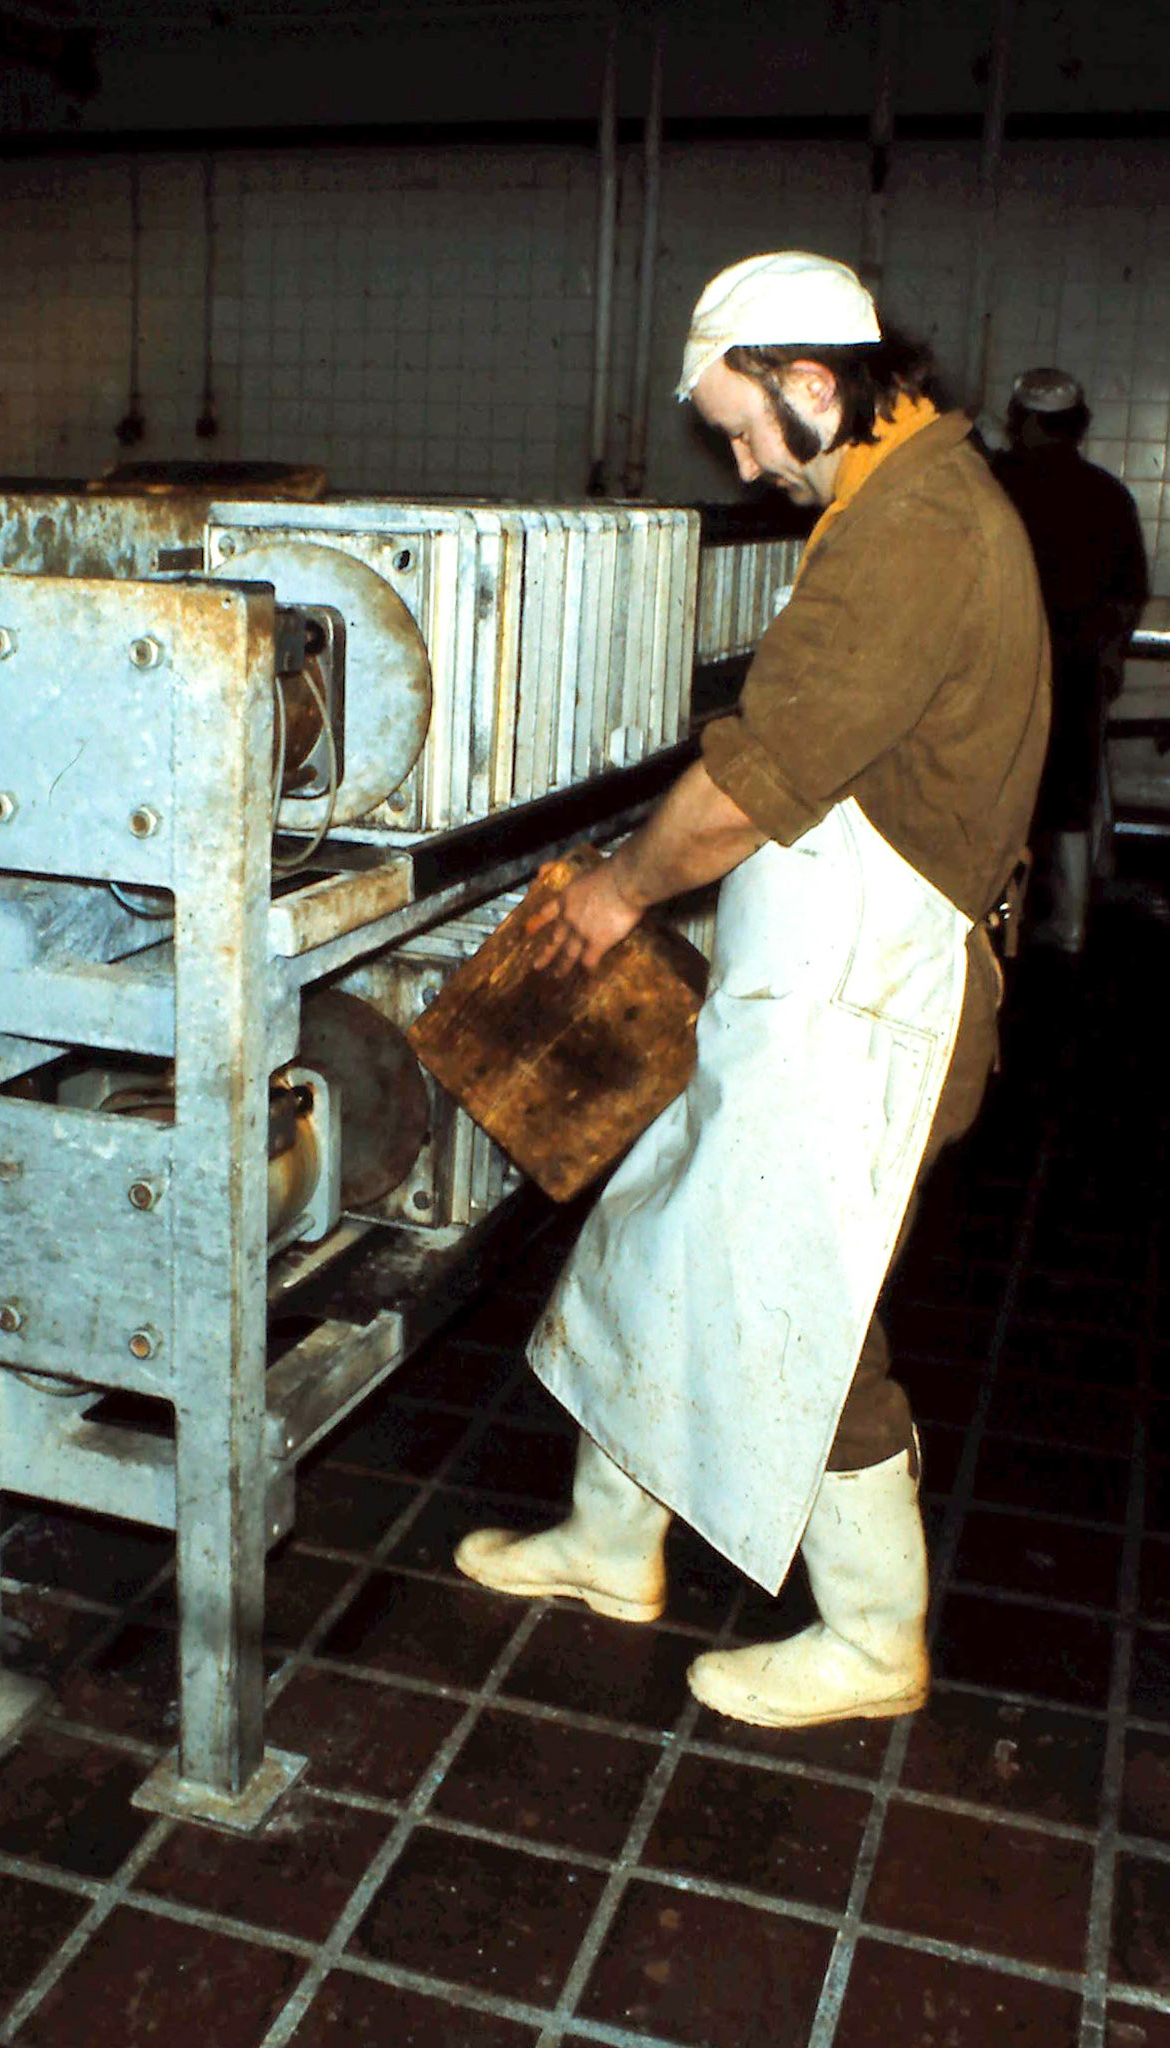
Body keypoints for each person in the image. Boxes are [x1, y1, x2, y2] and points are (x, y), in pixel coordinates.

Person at [455, 252, 1050, 1730]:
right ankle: (610, 1542)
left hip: (874, 999)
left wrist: (618, 890)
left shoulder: (917, 528)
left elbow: (752, 784)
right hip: (811, 979)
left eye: (739, 431)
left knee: (803, 1308)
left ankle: (869, 1636)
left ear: (812, 385)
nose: (738, 465)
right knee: (658, 1243)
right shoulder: (886, 504)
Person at [992, 367, 1148, 954]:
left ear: (1026, 422)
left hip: (1006, 666)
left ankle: (997, 923)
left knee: (1002, 791)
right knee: (1072, 799)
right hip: (1079, 667)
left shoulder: (997, 484)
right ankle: (1072, 923)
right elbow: (1128, 593)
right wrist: (1107, 656)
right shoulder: (1107, 495)